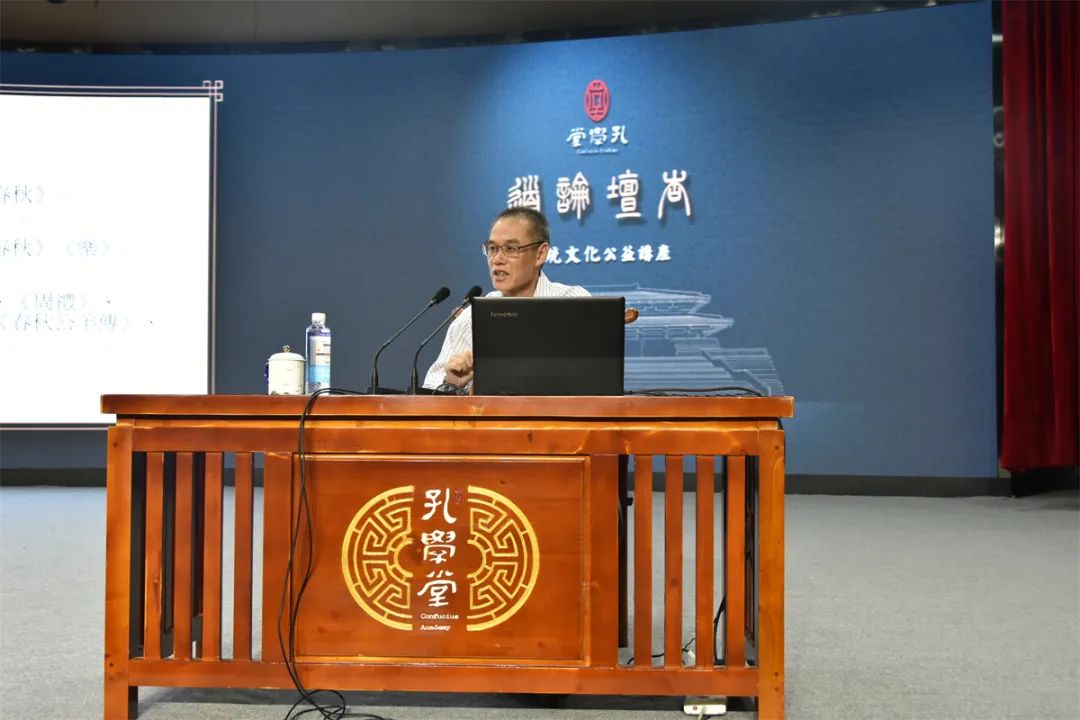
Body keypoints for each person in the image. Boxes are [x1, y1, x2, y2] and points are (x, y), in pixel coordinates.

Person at [422, 207, 589, 390]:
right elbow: (430, 388)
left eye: (510, 249)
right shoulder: (471, 318)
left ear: (540, 254)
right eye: (493, 249)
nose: (497, 259)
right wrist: (451, 385)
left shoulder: (575, 304)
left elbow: (598, 377)